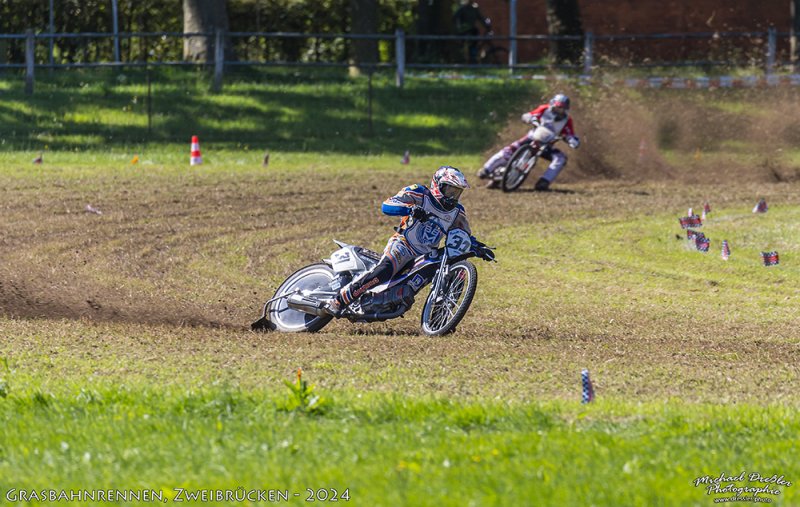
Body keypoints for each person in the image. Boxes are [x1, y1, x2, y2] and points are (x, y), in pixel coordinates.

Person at [327, 166, 485, 316]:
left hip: (426, 255)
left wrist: (476, 246)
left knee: (449, 269)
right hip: (403, 245)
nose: (452, 196)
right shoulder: (419, 192)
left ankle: (441, 317)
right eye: (449, 190)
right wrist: (410, 209)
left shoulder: (457, 212)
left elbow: (462, 234)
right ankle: (340, 300)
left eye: (457, 192)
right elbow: (387, 205)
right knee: (385, 270)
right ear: (437, 185)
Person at [478, 93, 580, 191]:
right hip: (532, 137)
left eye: (562, 108)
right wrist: (529, 117)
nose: (559, 110)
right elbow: (532, 114)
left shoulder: (567, 120)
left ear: (566, 109)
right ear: (552, 104)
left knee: (560, 158)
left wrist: (572, 140)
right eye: (557, 107)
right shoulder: (544, 109)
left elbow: (570, 133)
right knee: (509, 150)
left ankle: (544, 181)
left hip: (546, 145)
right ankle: (487, 168)